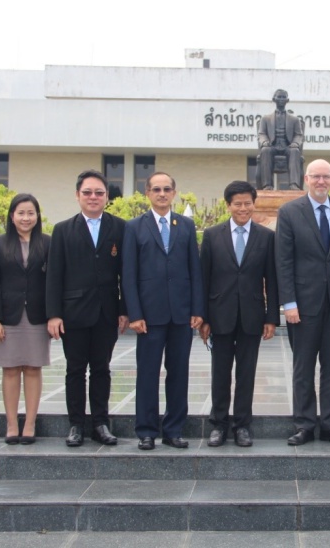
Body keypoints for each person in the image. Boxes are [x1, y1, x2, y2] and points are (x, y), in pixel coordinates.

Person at [275, 159, 330, 445]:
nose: (321, 182)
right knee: (303, 366)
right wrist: (288, 302)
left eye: (326, 177)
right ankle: (305, 425)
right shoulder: (289, 211)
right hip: (303, 304)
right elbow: (283, 261)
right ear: (306, 179)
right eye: (316, 177)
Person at [122, 172, 204, 450]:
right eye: (156, 189)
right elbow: (128, 274)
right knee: (147, 373)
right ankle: (146, 430)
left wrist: (197, 308)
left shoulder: (186, 225)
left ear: (174, 193)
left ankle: (173, 429)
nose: (162, 193)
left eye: (167, 189)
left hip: (181, 313)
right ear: (147, 193)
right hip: (149, 315)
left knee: (178, 373)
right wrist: (134, 313)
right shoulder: (134, 227)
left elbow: (195, 270)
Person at [46, 170, 128, 448]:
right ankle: (76, 425)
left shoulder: (119, 228)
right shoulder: (62, 230)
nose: (93, 197)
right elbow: (54, 274)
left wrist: (124, 308)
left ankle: (100, 423)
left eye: (99, 193)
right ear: (77, 195)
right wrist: (54, 313)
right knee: (75, 369)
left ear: (107, 197)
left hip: (107, 311)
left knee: (102, 369)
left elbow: (125, 273)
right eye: (88, 192)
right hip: (74, 313)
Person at [199, 180, 279, 447]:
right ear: (228, 205)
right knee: (220, 372)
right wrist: (204, 318)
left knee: (247, 373)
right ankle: (219, 425)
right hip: (219, 315)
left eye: (247, 203)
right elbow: (203, 278)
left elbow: (272, 279)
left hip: (252, 316)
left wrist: (271, 318)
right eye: (237, 204)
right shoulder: (212, 235)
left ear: (253, 204)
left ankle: (243, 425)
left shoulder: (266, 237)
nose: (243, 208)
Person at [0, 193, 51, 445]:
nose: (26, 218)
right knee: (11, 369)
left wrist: (54, 315)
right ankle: (12, 424)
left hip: (37, 316)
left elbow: (53, 282)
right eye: (21, 213)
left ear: (37, 216)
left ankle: (30, 423)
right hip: (8, 317)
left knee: (33, 368)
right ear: (12, 216)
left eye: (30, 213)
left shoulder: (47, 243)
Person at [256, 89, 304, 190]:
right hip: (272, 146)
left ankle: (294, 184)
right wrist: (265, 142)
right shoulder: (265, 119)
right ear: (274, 99)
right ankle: (267, 185)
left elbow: (299, 135)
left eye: (283, 97)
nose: (281, 99)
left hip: (288, 146)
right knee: (265, 150)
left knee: (295, 151)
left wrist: (295, 143)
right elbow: (261, 133)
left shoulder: (295, 119)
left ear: (287, 100)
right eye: (279, 97)